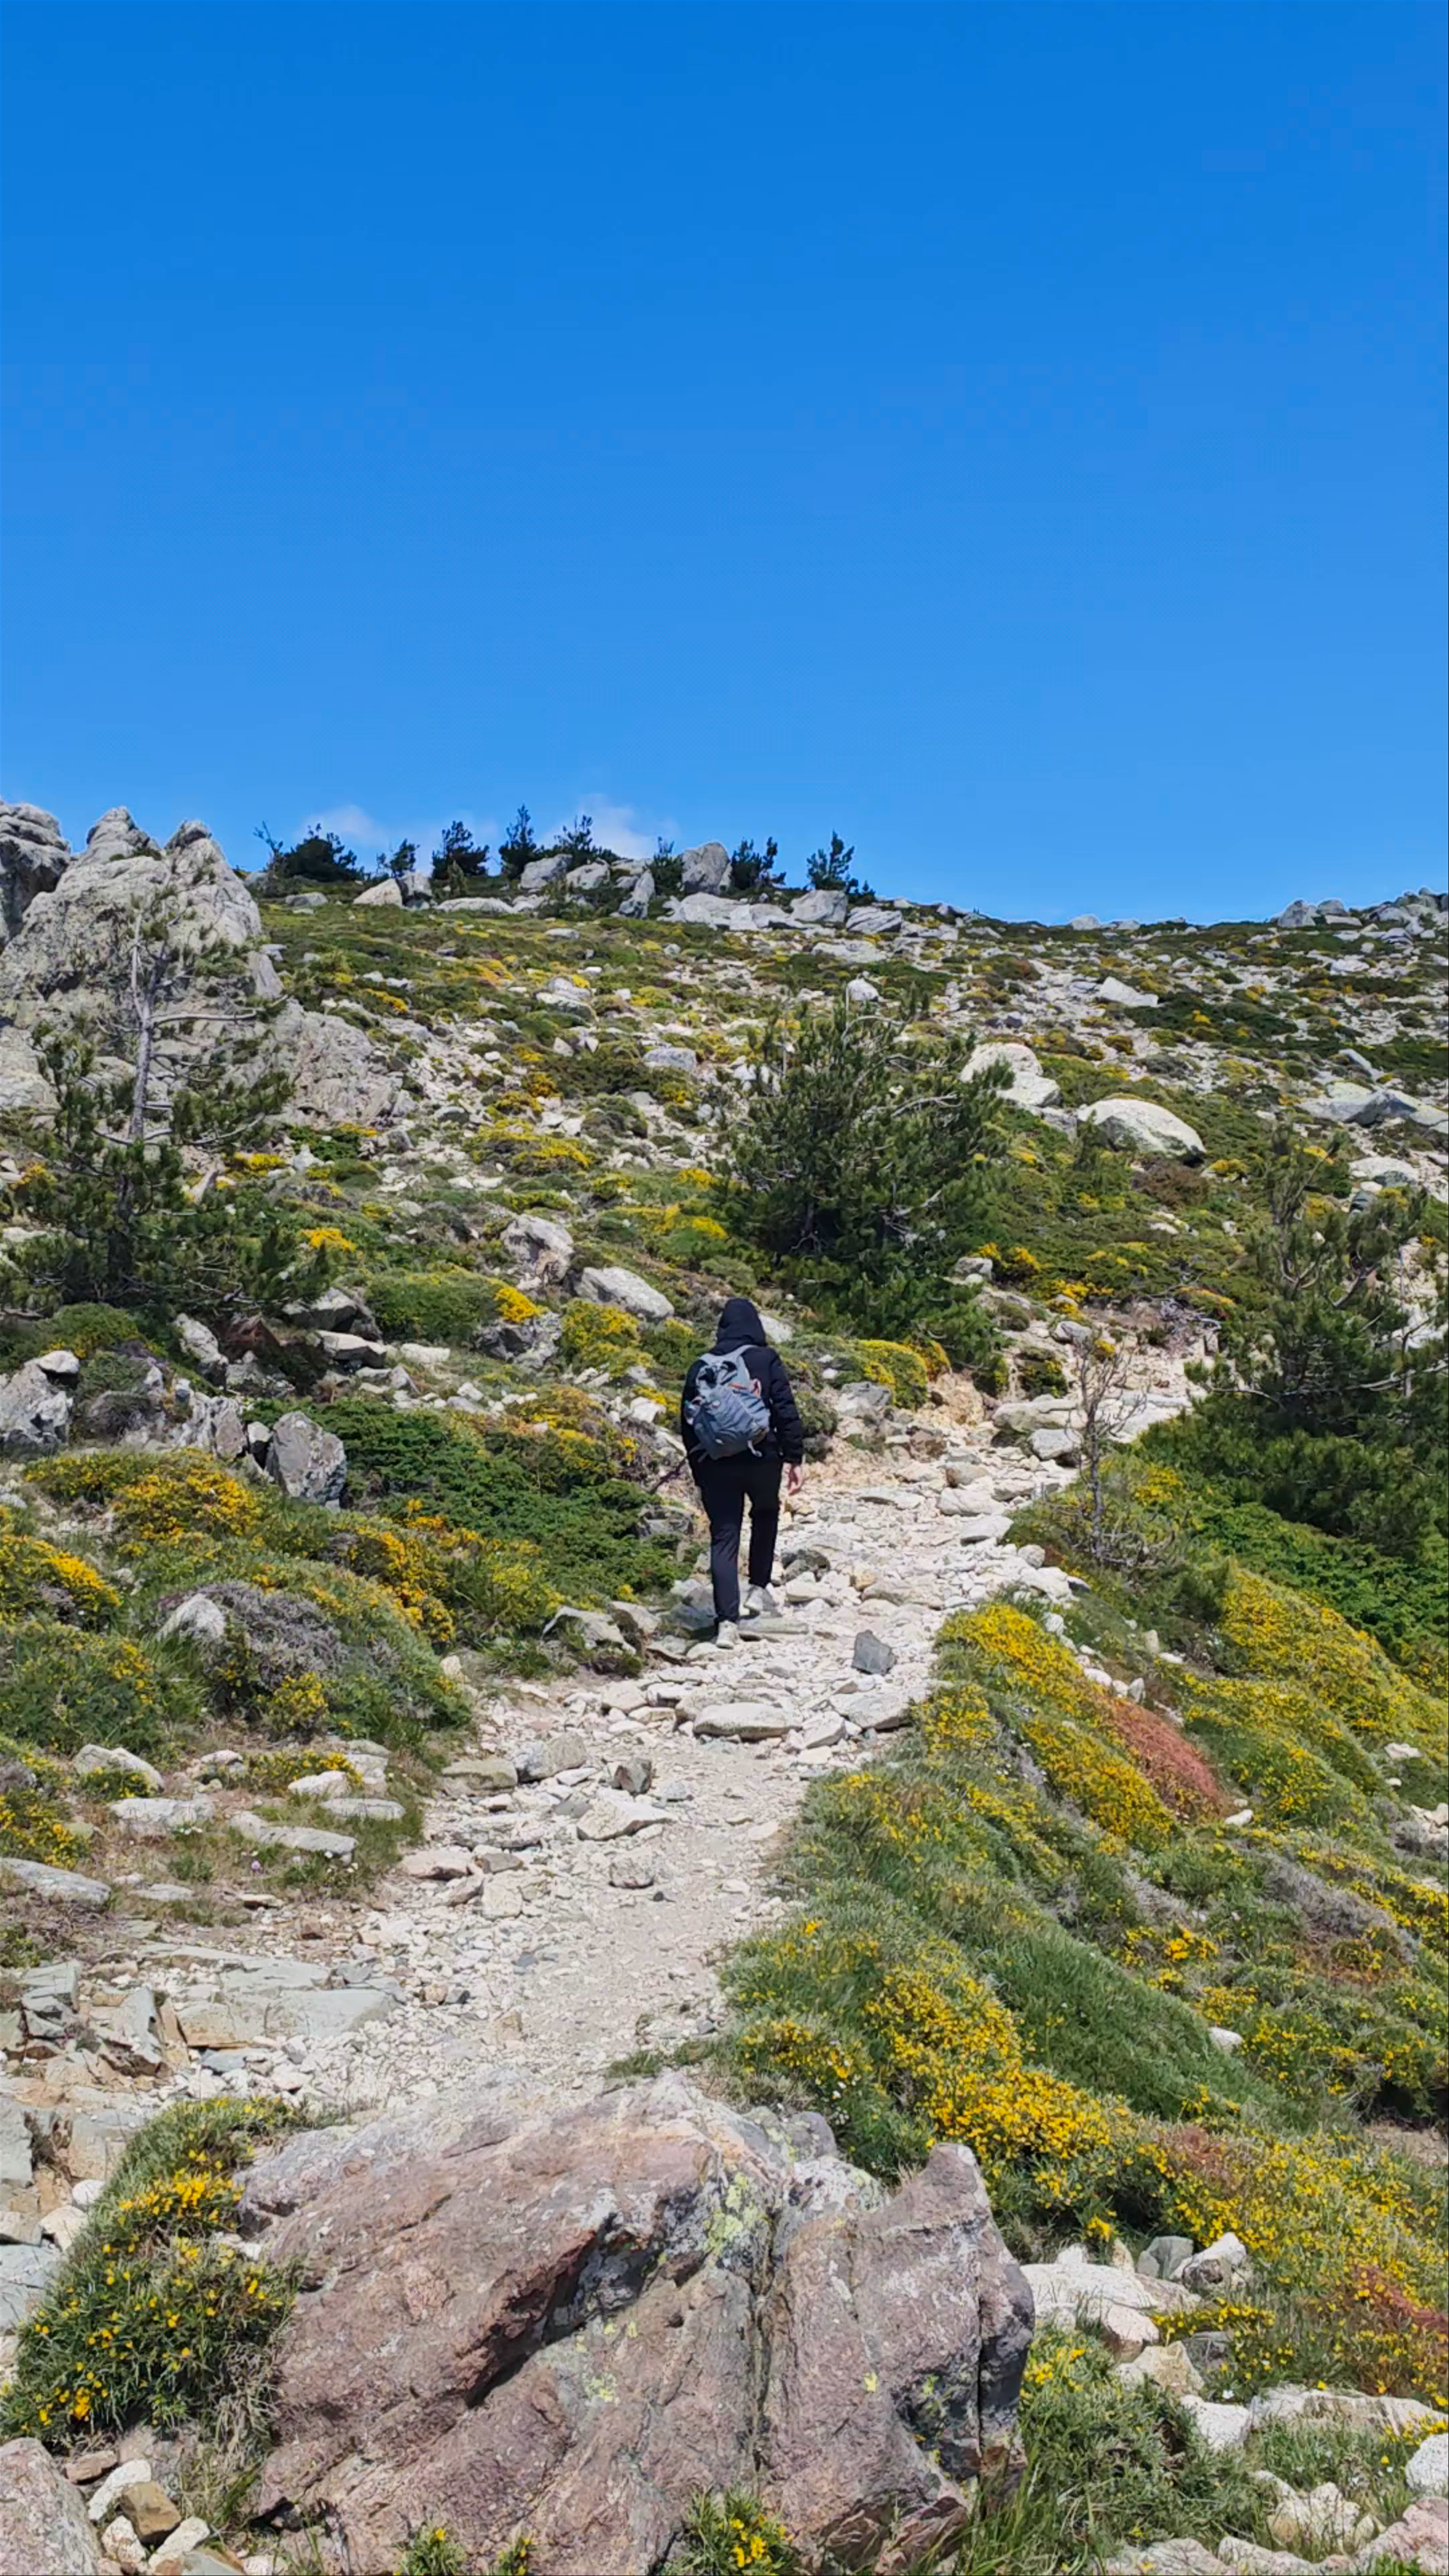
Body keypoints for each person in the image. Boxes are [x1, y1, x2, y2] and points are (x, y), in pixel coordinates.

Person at [680, 1295, 804, 1649]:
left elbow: (688, 1424)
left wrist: (699, 1469)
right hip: (762, 1457)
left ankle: (726, 1625)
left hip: (717, 1463)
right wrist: (795, 1458)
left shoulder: (700, 1366)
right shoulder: (765, 1359)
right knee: (765, 1513)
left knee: (724, 1536)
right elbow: (785, 1409)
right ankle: (758, 1589)